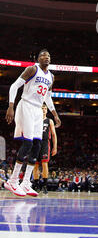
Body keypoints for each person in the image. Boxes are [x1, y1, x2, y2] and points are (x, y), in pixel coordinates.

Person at [4, 49, 61, 197]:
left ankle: (26, 183)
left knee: (37, 145)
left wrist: (55, 115)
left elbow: (48, 98)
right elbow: (14, 86)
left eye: (48, 55)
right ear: (38, 58)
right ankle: (13, 180)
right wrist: (11, 106)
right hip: (26, 105)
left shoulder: (51, 76)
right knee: (28, 143)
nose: (46, 57)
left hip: (38, 110)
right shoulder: (32, 69)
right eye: (43, 55)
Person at [32, 103, 58, 194]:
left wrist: (55, 147)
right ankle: (36, 184)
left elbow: (54, 135)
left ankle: (44, 185)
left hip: (44, 143)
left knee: (44, 164)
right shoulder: (35, 119)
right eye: (42, 108)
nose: (43, 109)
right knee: (34, 165)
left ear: (47, 110)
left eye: (45, 108)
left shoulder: (49, 121)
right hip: (35, 142)